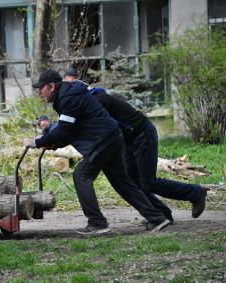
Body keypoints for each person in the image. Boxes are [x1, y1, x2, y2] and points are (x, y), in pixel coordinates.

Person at [24, 69, 171, 235]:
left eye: (40, 88)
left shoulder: (68, 97)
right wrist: (54, 145)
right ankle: (157, 218)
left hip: (102, 141)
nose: (38, 92)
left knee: (81, 176)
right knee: (122, 182)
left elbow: (64, 130)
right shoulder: (66, 95)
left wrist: (36, 142)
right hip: (111, 138)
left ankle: (97, 223)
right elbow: (72, 130)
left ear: (51, 87)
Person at [64, 68, 207, 223]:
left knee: (149, 182)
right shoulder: (91, 101)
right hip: (127, 141)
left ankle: (195, 193)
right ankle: (161, 214)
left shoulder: (98, 101)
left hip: (142, 134)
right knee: (132, 181)